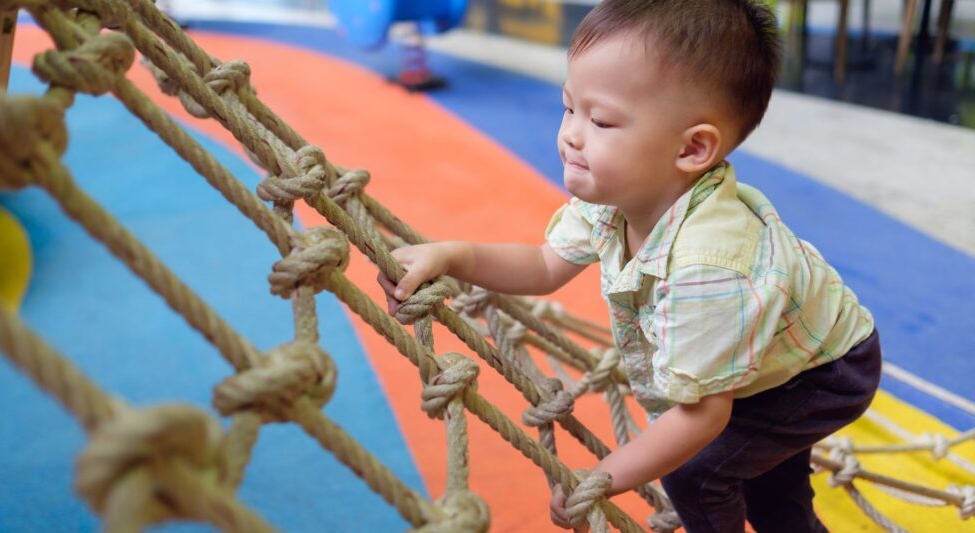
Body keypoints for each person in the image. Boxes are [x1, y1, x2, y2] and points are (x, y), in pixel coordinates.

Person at [376, 1, 881, 531]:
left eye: (601, 120)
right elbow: (545, 265)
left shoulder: (709, 268)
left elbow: (703, 414)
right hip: (768, 357)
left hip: (820, 372)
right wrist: (455, 256)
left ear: (692, 149)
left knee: (698, 474)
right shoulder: (616, 196)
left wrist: (603, 477)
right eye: (569, 108)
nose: (571, 133)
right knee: (768, 490)